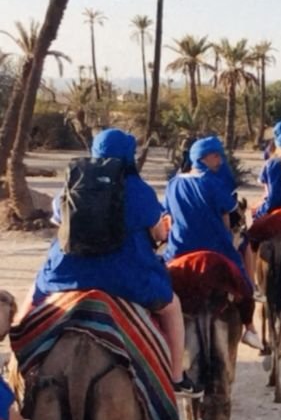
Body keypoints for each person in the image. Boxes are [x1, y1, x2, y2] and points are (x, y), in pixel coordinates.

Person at [32, 128, 193, 395]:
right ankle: (176, 377)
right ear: (129, 155)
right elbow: (159, 232)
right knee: (172, 307)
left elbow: (58, 219)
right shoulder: (138, 189)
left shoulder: (74, 182)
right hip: (126, 278)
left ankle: (20, 365)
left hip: (67, 274)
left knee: (32, 303)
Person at [162, 136, 261, 349]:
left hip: (179, 250)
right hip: (216, 248)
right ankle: (250, 328)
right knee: (242, 282)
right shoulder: (214, 183)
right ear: (206, 158)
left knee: (158, 281)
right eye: (217, 156)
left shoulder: (174, 183)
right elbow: (227, 219)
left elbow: (168, 215)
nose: (220, 161)